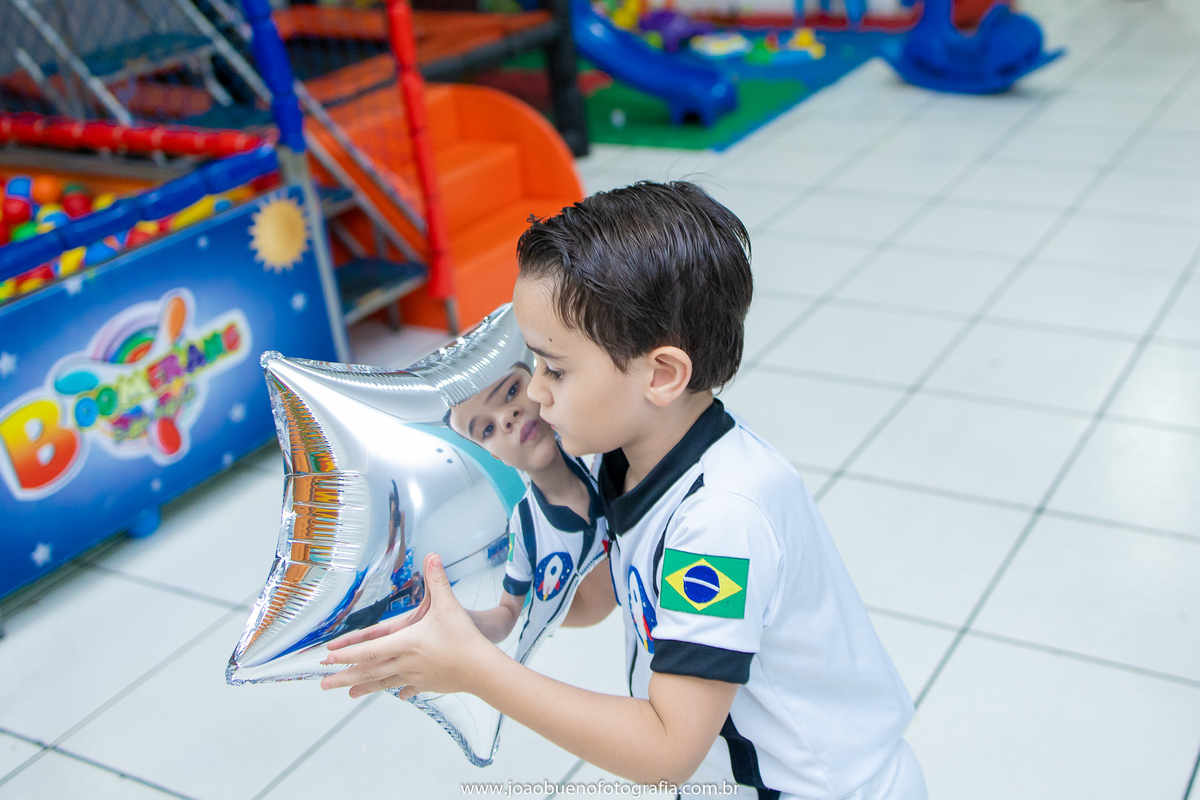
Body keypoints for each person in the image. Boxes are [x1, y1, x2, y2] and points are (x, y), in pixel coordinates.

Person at [321, 181, 926, 800]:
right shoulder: (632, 457)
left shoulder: (719, 523)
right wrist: (484, 623)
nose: (536, 392)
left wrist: (478, 673)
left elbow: (667, 749)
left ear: (661, 375)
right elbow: (599, 596)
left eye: (555, 369)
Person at [443, 362, 607, 657]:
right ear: (494, 455)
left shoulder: (604, 450)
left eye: (511, 391)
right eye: (488, 429)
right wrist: (466, 622)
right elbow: (508, 613)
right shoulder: (526, 526)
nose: (506, 417)